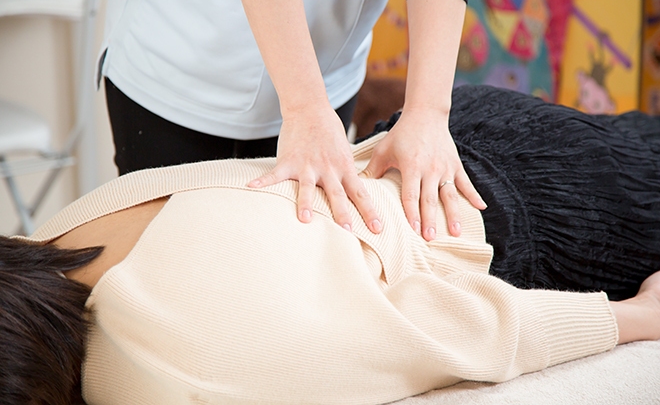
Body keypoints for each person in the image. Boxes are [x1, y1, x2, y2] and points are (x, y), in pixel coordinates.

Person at [2, 85, 660, 405]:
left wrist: (633, 318)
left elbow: (435, 330)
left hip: (547, 215)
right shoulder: (56, 237)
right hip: (457, 135)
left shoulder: (169, 367)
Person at [101, 0, 487, 242]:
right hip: (184, 67)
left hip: (332, 55)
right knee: (176, 261)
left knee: (292, 259)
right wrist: (305, 109)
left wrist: (428, 111)